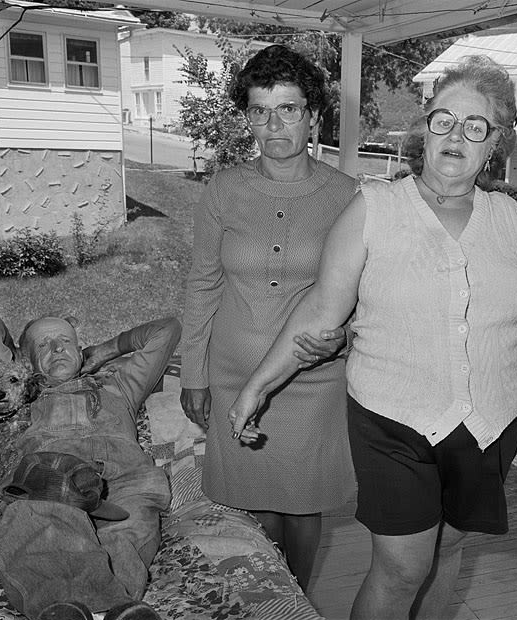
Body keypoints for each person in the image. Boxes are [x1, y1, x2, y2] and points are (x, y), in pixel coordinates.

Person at [227, 56, 517, 620]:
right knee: (401, 567)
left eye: (476, 126)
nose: (456, 136)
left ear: (496, 141)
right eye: (443, 120)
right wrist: (259, 385)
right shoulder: (374, 208)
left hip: (490, 420)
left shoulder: (509, 219)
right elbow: (321, 310)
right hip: (392, 418)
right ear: (423, 129)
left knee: (448, 552)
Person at [178, 44, 358, 592]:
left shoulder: (347, 195)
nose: (273, 123)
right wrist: (193, 372)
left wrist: (342, 339)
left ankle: (293, 599)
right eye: (259, 110)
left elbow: (364, 295)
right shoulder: (225, 189)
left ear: (313, 115)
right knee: (254, 507)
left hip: (312, 381)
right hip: (232, 373)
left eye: (288, 108)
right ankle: (263, 597)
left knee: (303, 506)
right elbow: (203, 282)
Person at [0, 304, 180, 620]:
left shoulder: (121, 386)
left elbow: (167, 329)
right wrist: (17, 359)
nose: (57, 348)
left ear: (79, 347)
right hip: (51, 483)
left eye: (65, 340)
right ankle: (75, 610)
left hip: (124, 482)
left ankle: (111, 611)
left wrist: (101, 352)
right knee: (43, 526)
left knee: (125, 538)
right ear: (28, 360)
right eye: (44, 345)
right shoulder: (17, 393)